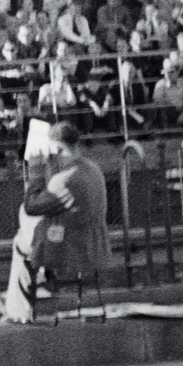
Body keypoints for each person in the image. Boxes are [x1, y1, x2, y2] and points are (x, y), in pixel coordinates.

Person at [22, 122, 111, 298]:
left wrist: (35, 172)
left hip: (70, 246)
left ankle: (29, 297)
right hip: (94, 244)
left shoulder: (66, 178)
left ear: (56, 148)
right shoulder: (92, 168)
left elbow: (31, 207)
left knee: (23, 237)